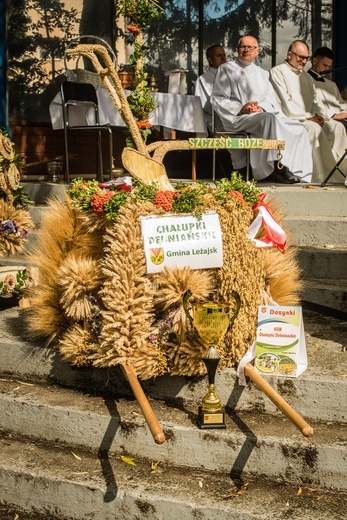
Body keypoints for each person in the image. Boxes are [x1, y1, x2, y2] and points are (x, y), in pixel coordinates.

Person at [210, 35, 313, 183]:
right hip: (237, 118)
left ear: (257, 51)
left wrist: (261, 107)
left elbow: (271, 100)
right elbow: (218, 98)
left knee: (300, 128)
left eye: (250, 47)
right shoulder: (227, 69)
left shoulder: (263, 73)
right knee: (269, 119)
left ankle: (299, 171)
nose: (246, 50)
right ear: (237, 49)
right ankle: (275, 167)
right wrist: (241, 108)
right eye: (243, 47)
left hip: (258, 116)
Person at [270, 40, 347, 184]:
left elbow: (315, 102)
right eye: (300, 57)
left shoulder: (306, 77)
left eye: (306, 58)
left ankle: (337, 172)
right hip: (289, 119)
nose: (303, 61)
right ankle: (315, 176)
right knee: (313, 129)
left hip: (308, 118)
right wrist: (309, 118)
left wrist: (320, 117)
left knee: (337, 127)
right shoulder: (277, 72)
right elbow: (284, 103)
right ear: (289, 54)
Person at [307, 47, 347, 130]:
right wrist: (333, 115)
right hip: (322, 120)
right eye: (324, 65)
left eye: (329, 66)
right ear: (314, 61)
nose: (327, 69)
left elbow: (340, 103)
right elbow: (310, 105)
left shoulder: (331, 84)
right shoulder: (304, 81)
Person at [194, 44, 227, 132]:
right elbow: (205, 106)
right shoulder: (203, 79)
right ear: (210, 60)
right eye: (219, 55)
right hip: (215, 121)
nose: (223, 58)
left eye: (224, 55)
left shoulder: (231, 75)